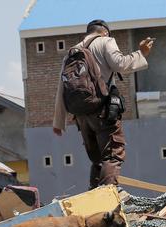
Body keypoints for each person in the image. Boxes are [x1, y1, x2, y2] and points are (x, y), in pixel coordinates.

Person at [53, 19, 154, 189]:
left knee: (98, 159)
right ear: (104, 32)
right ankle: (106, 198)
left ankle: (93, 197)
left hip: (81, 115)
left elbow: (61, 88)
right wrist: (141, 53)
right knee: (113, 155)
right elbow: (120, 64)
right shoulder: (106, 41)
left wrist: (58, 122)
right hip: (102, 111)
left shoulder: (72, 52)